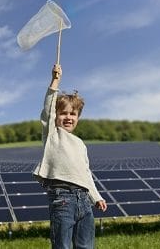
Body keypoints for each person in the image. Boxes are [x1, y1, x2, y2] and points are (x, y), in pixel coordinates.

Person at [33, 64, 107, 249]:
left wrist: (96, 197)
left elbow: (86, 173)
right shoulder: (52, 133)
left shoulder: (80, 144)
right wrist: (55, 81)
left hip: (84, 200)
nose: (68, 117)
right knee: (62, 246)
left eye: (73, 114)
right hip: (62, 198)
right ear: (56, 116)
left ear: (78, 118)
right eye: (63, 113)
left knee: (86, 245)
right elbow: (48, 110)